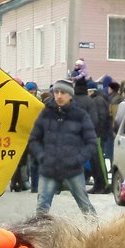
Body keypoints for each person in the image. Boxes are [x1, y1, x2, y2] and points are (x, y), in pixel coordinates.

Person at [27, 78, 96, 216]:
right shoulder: (46, 114)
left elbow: (91, 142)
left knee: (85, 206)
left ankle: (97, 233)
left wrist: (78, 159)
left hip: (73, 169)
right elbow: (34, 139)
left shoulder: (80, 115)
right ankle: (41, 236)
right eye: (56, 92)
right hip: (49, 168)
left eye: (63, 92)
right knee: (41, 208)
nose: (59, 96)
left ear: (70, 95)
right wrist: (42, 156)